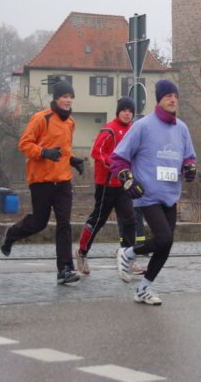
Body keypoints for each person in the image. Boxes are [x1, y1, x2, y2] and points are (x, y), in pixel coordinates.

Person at [110, 79, 196, 305]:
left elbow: (189, 157)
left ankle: (143, 289)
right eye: (168, 96)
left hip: (171, 195)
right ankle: (128, 253)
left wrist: (189, 167)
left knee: (166, 244)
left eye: (175, 96)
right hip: (147, 195)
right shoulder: (143, 126)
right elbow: (117, 159)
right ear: (159, 99)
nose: (173, 99)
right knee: (164, 237)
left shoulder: (182, 128)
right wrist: (127, 179)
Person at [0, 80, 85, 285]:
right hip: (41, 181)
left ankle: (65, 269)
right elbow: (24, 144)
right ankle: (10, 235)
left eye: (71, 97)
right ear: (56, 98)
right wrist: (44, 152)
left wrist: (73, 160)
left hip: (63, 181)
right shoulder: (41, 118)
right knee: (39, 222)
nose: (68, 100)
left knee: (64, 224)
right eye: (64, 96)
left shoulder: (71, 122)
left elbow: (64, 150)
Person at [74, 97, 143, 275]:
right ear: (118, 112)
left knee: (129, 220)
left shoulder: (133, 130)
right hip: (106, 184)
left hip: (124, 184)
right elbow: (96, 152)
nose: (127, 113)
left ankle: (128, 259)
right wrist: (114, 165)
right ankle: (82, 253)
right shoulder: (109, 129)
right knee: (98, 220)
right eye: (124, 110)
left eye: (130, 111)